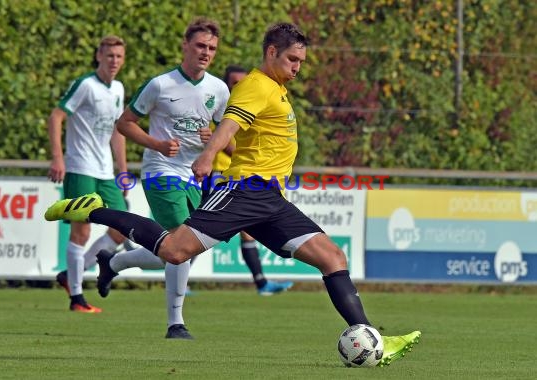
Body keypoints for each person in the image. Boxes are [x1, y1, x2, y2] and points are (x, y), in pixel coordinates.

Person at [44, 22, 421, 365]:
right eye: (291, 58)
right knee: (176, 250)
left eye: (301, 61)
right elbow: (231, 123)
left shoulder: (277, 88)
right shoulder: (256, 85)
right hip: (244, 191)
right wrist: (208, 156)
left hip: (272, 200)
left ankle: (373, 339)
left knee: (332, 256)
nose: (297, 67)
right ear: (271, 52)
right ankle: (95, 211)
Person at [91, 18, 229, 339]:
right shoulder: (160, 85)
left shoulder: (218, 89)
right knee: (181, 242)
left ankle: (114, 263)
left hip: (193, 177)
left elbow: (230, 139)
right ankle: (175, 324)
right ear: (185, 45)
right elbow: (124, 123)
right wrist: (157, 144)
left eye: (211, 48)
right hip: (160, 173)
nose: (206, 52)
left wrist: (213, 139)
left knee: (181, 248)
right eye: (200, 46)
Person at [46, 35, 129, 313]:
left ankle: (70, 276)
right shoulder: (85, 85)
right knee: (81, 231)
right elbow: (56, 116)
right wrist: (58, 158)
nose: (114, 61)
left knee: (121, 229)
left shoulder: (118, 88)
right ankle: (77, 298)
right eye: (109, 56)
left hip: (106, 172)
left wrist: (123, 170)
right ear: (98, 56)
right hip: (80, 167)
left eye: (118, 56)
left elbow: (118, 130)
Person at [211, 64, 293, 296]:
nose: (238, 86)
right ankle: (175, 271)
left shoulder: (254, 103)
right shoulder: (222, 109)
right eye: (233, 82)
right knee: (200, 233)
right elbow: (223, 143)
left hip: (244, 179)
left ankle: (261, 283)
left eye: (241, 81)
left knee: (246, 231)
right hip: (221, 177)